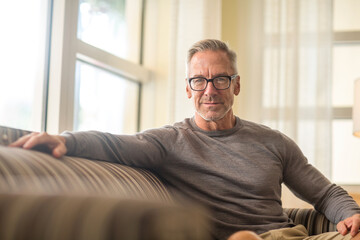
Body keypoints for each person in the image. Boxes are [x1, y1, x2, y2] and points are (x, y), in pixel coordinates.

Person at [10, 39, 360, 240]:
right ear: (187, 88)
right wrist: (66, 141)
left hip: (289, 237)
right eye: (199, 81)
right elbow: (115, 144)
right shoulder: (169, 142)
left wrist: (351, 213)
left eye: (220, 79)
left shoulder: (273, 142)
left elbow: (325, 193)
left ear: (236, 85)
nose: (210, 91)